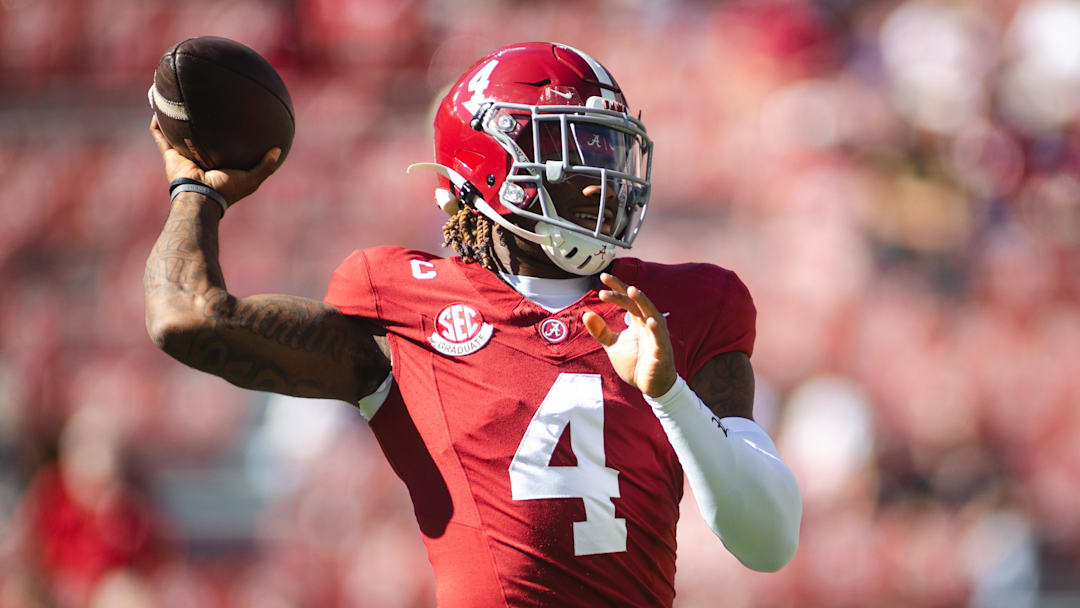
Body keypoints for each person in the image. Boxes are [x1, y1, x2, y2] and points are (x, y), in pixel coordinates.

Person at [144, 42, 801, 607]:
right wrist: (195, 191)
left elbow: (767, 543)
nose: (607, 181)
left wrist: (669, 394)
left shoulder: (685, 305)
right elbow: (188, 319)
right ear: (490, 164)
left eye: (611, 150)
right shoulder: (402, 302)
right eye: (577, 151)